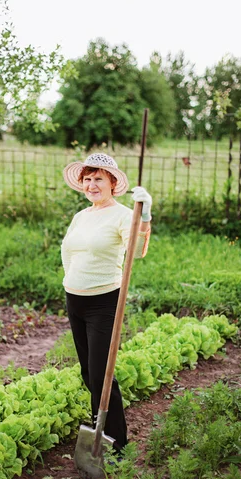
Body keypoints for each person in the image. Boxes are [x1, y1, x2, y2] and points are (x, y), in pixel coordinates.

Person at [61, 152, 152, 453]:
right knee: (89, 373)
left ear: (113, 183)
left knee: (102, 375)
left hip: (103, 302)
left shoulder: (124, 215)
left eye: (98, 178)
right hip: (76, 301)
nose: (91, 184)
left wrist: (145, 215)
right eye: (87, 179)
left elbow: (136, 251)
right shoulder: (81, 216)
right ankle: (98, 433)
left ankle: (117, 444)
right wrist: (72, 281)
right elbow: (70, 253)